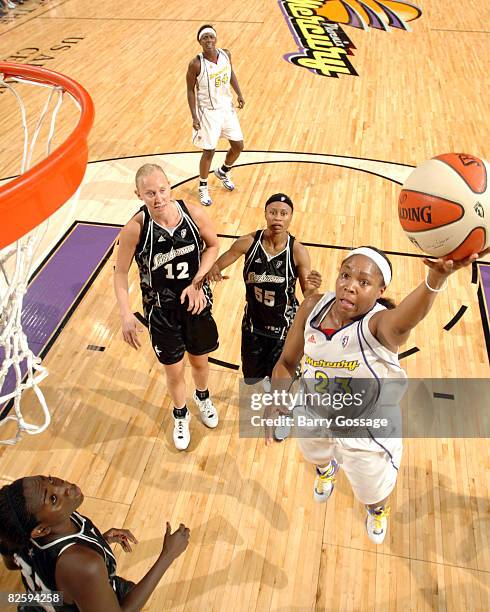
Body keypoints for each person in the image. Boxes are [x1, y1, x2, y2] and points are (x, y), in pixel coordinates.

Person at [265, 245, 489, 544]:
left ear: (380, 290)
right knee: (315, 455)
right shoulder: (313, 307)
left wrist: (434, 279)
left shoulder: (380, 325)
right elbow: (287, 363)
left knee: (373, 493)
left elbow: (407, 317)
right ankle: (326, 470)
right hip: (314, 412)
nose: (350, 285)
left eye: (363, 282)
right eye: (345, 275)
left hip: (366, 429)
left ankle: (377, 511)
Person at [114, 163, 220, 451]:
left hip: (196, 304)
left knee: (200, 361)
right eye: (150, 193)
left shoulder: (193, 213)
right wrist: (126, 313)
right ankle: (180, 414)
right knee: (174, 373)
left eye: (162, 190)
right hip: (161, 312)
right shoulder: (135, 229)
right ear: (138, 194)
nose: (158, 198)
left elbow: (213, 246)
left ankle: (203, 397)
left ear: (169, 186)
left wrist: (197, 282)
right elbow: (120, 273)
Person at [0, 475, 190, 611]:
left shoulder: (16, 529)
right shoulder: (85, 565)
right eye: (53, 498)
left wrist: (101, 541)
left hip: (40, 600)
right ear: (41, 530)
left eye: (50, 480)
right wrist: (168, 554)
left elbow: (10, 565)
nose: (65, 487)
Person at [207, 193, 321, 386]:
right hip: (253, 326)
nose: (278, 217)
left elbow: (308, 294)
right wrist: (213, 270)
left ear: (291, 217)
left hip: (285, 329)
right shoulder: (248, 242)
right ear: (265, 214)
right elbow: (218, 264)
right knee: (252, 380)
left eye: (283, 214)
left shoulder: (297, 251)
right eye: (273, 212)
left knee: (284, 383)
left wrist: (315, 288)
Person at [186, 24, 245, 207]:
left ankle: (223, 171)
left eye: (211, 37)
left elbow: (230, 74)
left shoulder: (226, 54)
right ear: (200, 42)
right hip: (208, 113)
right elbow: (190, 90)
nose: (209, 40)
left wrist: (239, 93)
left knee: (238, 146)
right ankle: (203, 186)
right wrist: (194, 116)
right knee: (209, 151)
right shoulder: (196, 64)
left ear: (216, 38)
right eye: (205, 38)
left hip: (226, 108)